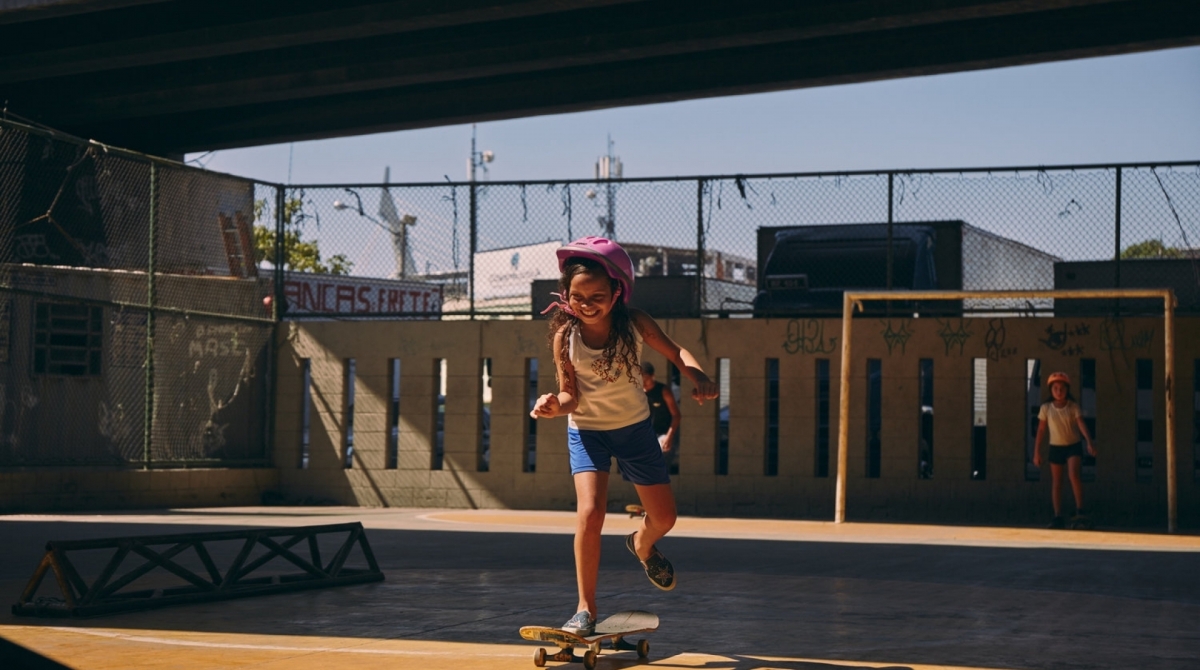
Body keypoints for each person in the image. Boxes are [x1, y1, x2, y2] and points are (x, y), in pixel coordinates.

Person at [530, 236, 718, 636]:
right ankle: (585, 608)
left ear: (618, 291)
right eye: (577, 296)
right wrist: (553, 405)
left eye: (597, 295)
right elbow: (570, 394)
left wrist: (697, 375)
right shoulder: (567, 336)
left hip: (634, 431)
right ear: (566, 295)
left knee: (665, 517)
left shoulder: (635, 324)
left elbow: (676, 351)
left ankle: (642, 545)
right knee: (590, 513)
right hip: (588, 432)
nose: (586, 303)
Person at [1032, 371, 1097, 528]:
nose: (1059, 391)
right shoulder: (1046, 408)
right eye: (1055, 388)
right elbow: (1041, 430)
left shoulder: (1073, 406)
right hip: (1056, 447)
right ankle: (1057, 515)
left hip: (1073, 446)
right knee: (1057, 482)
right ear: (1051, 390)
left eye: (1062, 388)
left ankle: (1080, 510)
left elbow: (1081, 424)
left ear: (1067, 389)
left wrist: (1089, 442)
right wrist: (1036, 452)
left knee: (1073, 475)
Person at [641, 362, 681, 455]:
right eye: (640, 379)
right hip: (646, 435)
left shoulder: (663, 391)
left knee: (660, 459)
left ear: (652, 376)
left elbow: (676, 415)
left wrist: (669, 436)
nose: (643, 383)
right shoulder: (638, 392)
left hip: (663, 433)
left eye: (645, 379)